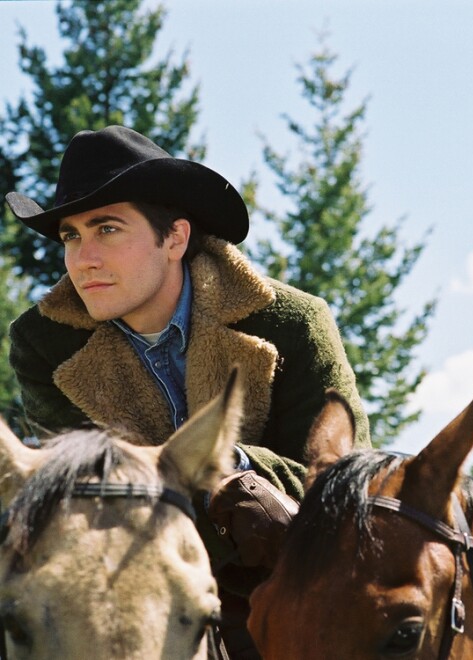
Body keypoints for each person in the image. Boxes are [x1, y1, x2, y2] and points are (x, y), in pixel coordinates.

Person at [4, 125, 371, 658]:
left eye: (106, 230)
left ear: (174, 237)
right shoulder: (43, 344)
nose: (83, 259)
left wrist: (230, 464)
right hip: (132, 582)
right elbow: (85, 496)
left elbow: (340, 482)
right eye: (71, 236)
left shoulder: (293, 323)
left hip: (285, 587)